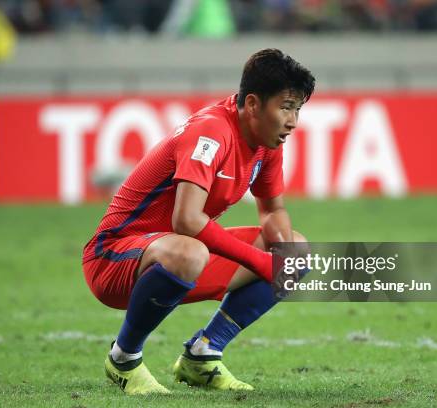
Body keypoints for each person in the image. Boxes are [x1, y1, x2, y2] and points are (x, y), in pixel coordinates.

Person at [82, 48, 315, 395]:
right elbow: (187, 220)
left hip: (180, 257)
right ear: (252, 104)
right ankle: (123, 359)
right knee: (190, 251)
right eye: (285, 107)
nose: (293, 121)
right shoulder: (211, 133)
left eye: (297, 109)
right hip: (113, 258)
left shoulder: (268, 143)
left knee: (294, 249)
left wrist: (281, 257)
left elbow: (272, 209)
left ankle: (203, 354)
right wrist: (261, 263)